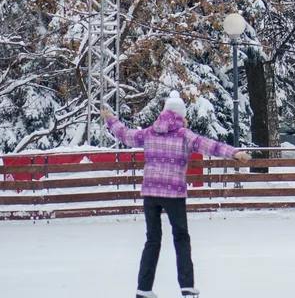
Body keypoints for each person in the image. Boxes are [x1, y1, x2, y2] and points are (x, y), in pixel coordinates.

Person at [100, 92, 250, 298]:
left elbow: (125, 135)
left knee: (152, 240)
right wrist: (234, 153)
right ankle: (187, 285)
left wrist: (110, 118)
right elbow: (210, 146)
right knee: (181, 237)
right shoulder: (183, 134)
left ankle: (144, 288)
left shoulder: (149, 133)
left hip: (151, 193)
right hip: (173, 193)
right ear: (181, 115)